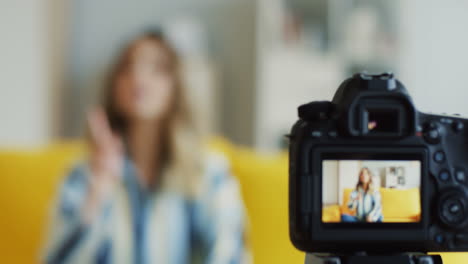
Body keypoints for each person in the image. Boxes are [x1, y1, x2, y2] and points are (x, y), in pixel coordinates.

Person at [43, 31, 249, 264]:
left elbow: (230, 252)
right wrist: (96, 194)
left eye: (156, 68)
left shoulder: (209, 170)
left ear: (176, 86)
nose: (138, 76)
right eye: (127, 67)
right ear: (114, 86)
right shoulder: (84, 173)